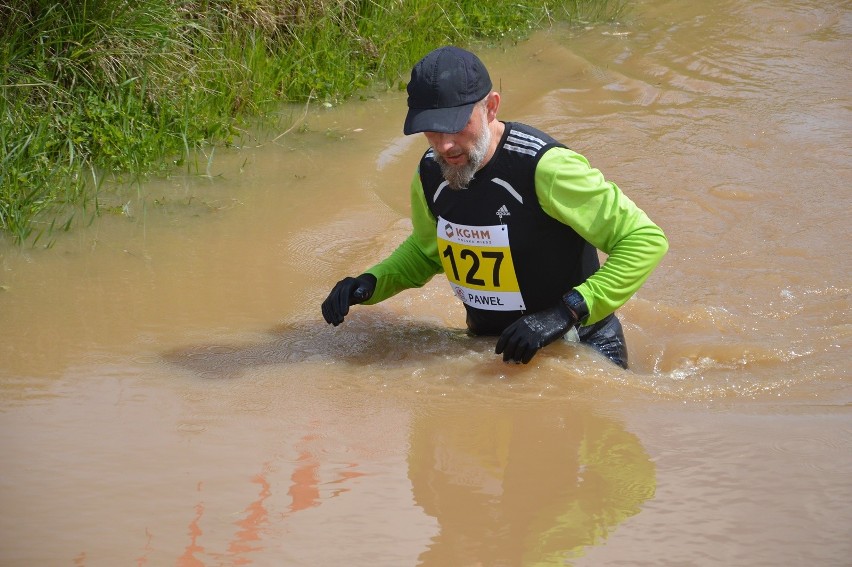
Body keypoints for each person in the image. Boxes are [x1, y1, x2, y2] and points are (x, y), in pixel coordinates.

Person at [321, 45, 668, 368]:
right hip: (489, 352)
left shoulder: (546, 168)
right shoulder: (430, 174)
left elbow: (644, 240)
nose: (445, 145)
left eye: (456, 125)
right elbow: (429, 251)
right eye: (431, 130)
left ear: (490, 107)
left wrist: (567, 312)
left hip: (580, 348)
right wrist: (370, 282)